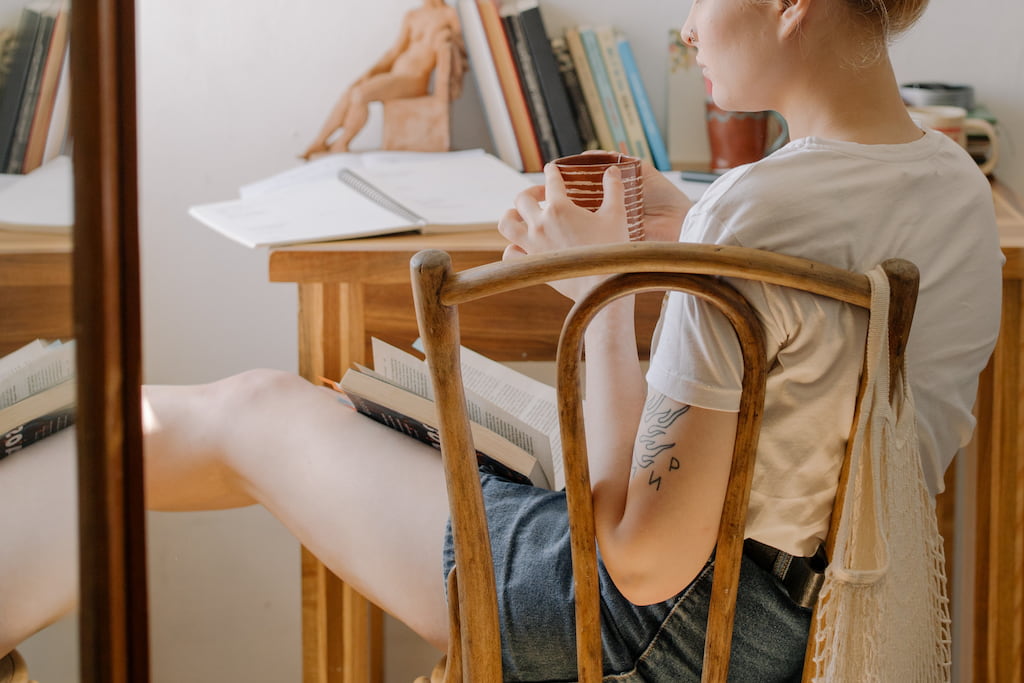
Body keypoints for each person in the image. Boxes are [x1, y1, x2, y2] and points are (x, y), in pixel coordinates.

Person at [0, 0, 1004, 679]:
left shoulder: (758, 212)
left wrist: (603, 293)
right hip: (812, 617)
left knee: (255, 412)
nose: (689, 27)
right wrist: (688, 217)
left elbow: (642, 563)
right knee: (323, 426)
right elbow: (810, 329)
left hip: (657, 633)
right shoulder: (954, 185)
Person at [300, 0, 467, 159]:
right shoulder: (413, 15)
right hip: (395, 74)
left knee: (360, 94)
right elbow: (394, 52)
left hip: (414, 79)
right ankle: (320, 141)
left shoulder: (448, 14)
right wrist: (371, 72)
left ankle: (342, 142)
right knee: (352, 89)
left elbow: (461, 48)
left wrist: (446, 39)